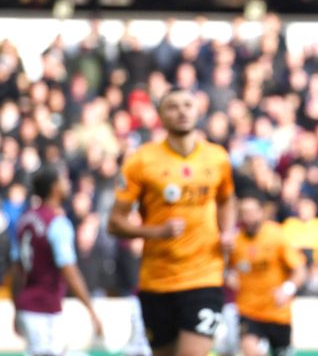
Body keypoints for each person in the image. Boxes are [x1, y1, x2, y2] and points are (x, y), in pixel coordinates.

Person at [107, 87, 236, 356]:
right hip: (157, 280)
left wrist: (227, 232)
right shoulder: (140, 161)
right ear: (160, 116)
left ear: (198, 110)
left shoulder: (218, 158)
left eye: (187, 105)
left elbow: (226, 199)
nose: (181, 112)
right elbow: (114, 223)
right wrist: (155, 232)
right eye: (172, 106)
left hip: (204, 276)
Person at [10, 166, 103, 355]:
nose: (68, 184)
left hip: (28, 306)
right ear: (54, 187)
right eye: (63, 180)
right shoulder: (56, 223)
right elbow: (69, 270)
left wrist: (16, 307)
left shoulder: (25, 219)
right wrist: (91, 310)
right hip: (45, 308)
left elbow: (17, 269)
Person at [227, 193, 306, 356]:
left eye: (250, 212)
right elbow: (227, 268)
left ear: (261, 212)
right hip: (248, 310)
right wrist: (229, 276)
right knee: (249, 348)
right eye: (243, 212)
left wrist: (287, 289)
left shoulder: (277, 235)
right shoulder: (236, 241)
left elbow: (299, 269)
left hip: (277, 311)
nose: (247, 218)